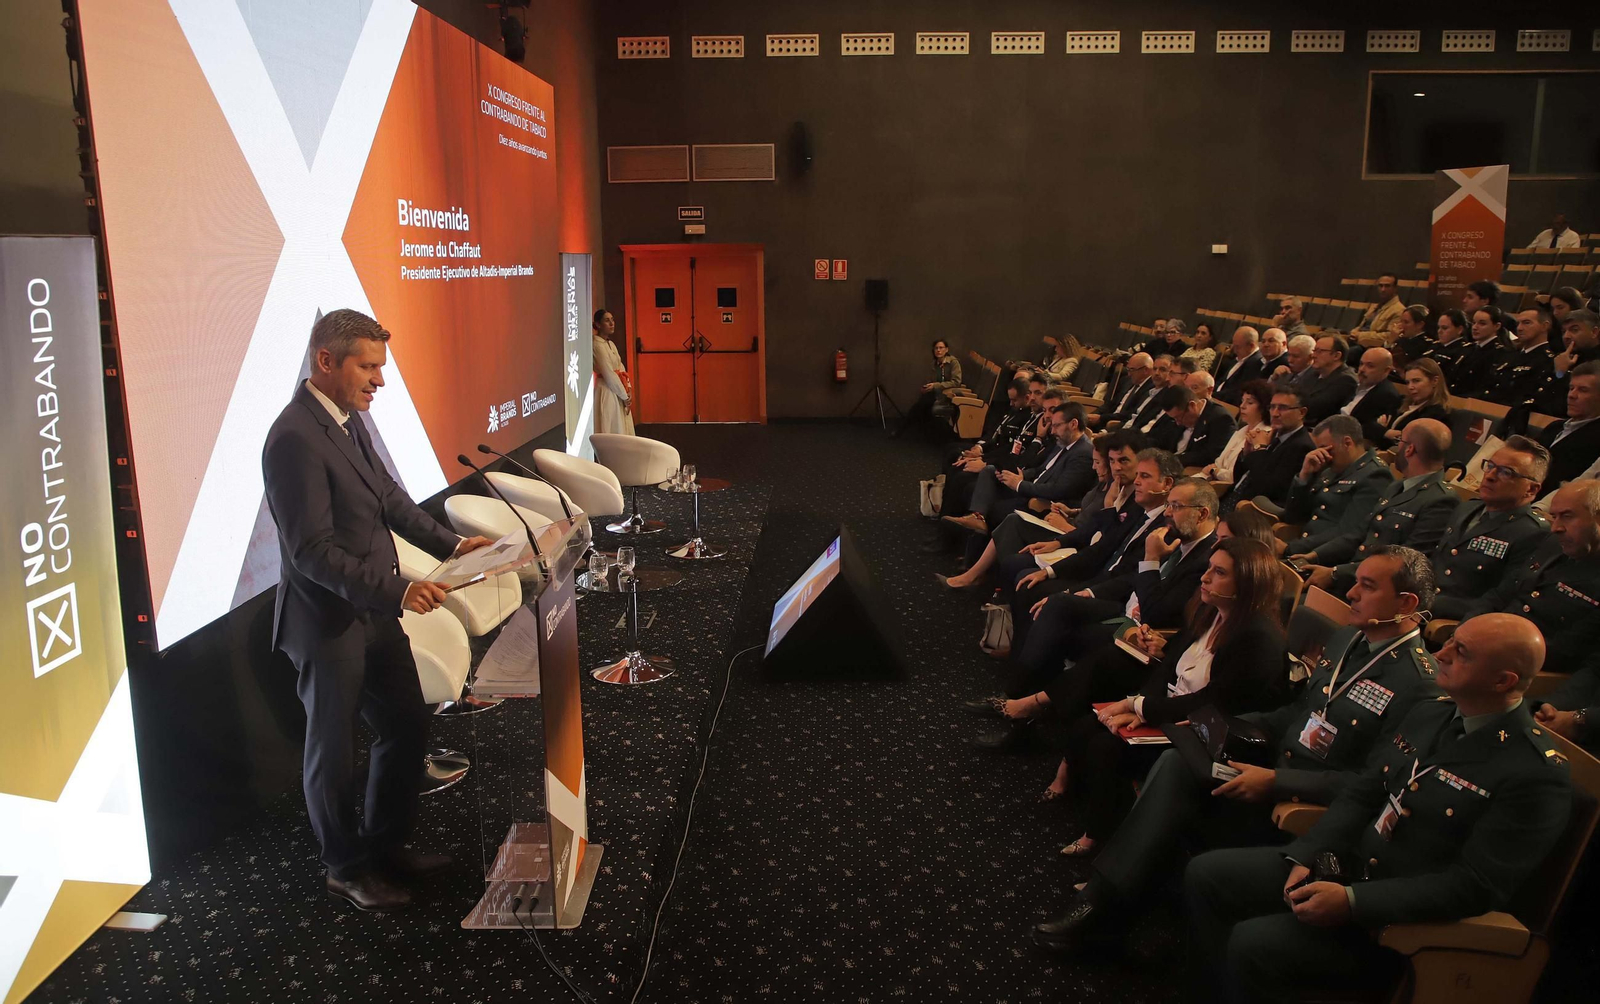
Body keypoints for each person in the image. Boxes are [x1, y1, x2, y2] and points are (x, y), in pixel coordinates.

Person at [1033, 547, 1442, 955]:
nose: (1350, 593)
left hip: (1300, 801)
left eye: (1367, 587)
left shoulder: (1418, 685)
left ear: (1405, 604)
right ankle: (1107, 905)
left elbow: (1371, 784)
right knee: (1180, 755)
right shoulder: (1349, 639)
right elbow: (1297, 714)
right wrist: (1233, 726)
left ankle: (1105, 908)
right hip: (1266, 764)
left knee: (1174, 771)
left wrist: (1276, 781)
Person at [1184, 612, 1569, 1004]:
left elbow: (1472, 886)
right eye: (1450, 640)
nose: (1441, 652)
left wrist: (1353, 903)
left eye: (1461, 651)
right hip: (1345, 870)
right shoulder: (1431, 712)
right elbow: (1363, 793)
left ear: (1502, 680)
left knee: (1252, 944)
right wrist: (1307, 852)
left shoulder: (1534, 773)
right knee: (1207, 875)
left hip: (1397, 925)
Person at [262, 309, 494, 912]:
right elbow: (311, 552)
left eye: (380, 368)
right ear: (326, 362)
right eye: (368, 367)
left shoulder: (347, 420)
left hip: (371, 614)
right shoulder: (293, 438)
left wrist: (451, 544)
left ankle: (385, 847)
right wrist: (397, 591)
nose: (379, 381)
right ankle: (346, 868)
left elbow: (389, 498)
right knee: (332, 755)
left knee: (407, 726)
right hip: (327, 623)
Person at [1043, 538, 1288, 858]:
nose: (1205, 577)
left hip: (1200, 730)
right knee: (1089, 724)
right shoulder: (1210, 610)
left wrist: (1142, 708)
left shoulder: (1257, 639)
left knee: (1106, 745)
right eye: (1208, 568)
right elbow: (1169, 667)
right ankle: (1088, 808)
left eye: (1219, 572)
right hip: (1172, 708)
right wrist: (1143, 702)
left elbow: (1211, 703)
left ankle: (1100, 839)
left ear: (1247, 584)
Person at [989, 471, 1216, 704]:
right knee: (1057, 602)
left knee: (1063, 624)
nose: (1168, 513)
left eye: (1176, 507)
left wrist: (1150, 559)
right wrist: (1079, 593)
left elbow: (1156, 613)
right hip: (1126, 605)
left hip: (1142, 626)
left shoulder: (1205, 560)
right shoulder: (1178, 540)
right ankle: (1020, 690)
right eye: (1168, 505)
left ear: (1202, 514)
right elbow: (1128, 576)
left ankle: (1019, 697)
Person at [1294, 419, 1457, 596]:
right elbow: (1359, 534)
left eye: (1399, 441)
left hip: (1374, 593)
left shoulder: (1441, 501)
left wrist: (1334, 573)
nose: (1397, 448)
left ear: (1409, 449)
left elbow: (1404, 565)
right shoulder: (1397, 487)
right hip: (1351, 577)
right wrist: (1314, 555)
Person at [1459, 479, 1600, 672]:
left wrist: (1485, 648)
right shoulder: (1553, 543)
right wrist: (1464, 630)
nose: (1555, 527)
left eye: (1567, 516)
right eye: (1554, 517)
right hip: (1481, 651)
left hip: (1520, 671)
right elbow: (1500, 595)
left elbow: (1567, 651)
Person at [940, 402, 1096, 565]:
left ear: (1073, 424)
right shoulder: (1064, 443)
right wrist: (1020, 476)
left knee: (996, 508)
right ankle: (977, 519)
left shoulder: (1083, 453)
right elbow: (1040, 470)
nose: (1052, 430)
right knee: (990, 471)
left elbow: (1059, 490)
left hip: (1043, 502)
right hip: (1031, 486)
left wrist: (1020, 485)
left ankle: (974, 559)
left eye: (1056, 426)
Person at [1430, 437, 1551, 620]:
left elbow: (1501, 598)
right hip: (1421, 603)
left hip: (1455, 620)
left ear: (1531, 489)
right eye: (1490, 465)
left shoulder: (1533, 532)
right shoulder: (1467, 509)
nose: (1490, 476)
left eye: (1506, 473)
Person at [1270, 415, 1393, 558]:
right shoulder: (1329, 470)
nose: (1320, 454)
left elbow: (1347, 533)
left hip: (1325, 558)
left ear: (1347, 443)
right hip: (1304, 547)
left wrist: (1291, 548)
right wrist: (1304, 476)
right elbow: (1294, 517)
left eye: (1326, 448)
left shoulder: (1375, 476)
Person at [1223, 388, 1314, 510]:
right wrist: (1246, 453)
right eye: (1272, 407)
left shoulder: (1301, 447)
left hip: (1252, 512)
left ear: (1301, 412)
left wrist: (1260, 448)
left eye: (1282, 408)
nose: (1275, 413)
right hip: (1231, 498)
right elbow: (1239, 476)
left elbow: (1265, 488)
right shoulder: (1271, 435)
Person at [1537, 358, 1600, 489]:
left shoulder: (1596, 438)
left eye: (1583, 390)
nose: (1572, 395)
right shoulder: (1555, 427)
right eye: (1571, 388)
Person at [1489, 303, 1561, 415]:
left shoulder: (1549, 361)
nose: (1519, 328)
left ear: (1544, 326)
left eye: (1527, 323)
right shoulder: (1509, 355)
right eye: (1518, 324)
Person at [1203, 380, 1273, 485]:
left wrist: (1215, 471)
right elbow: (1219, 462)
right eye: (1242, 401)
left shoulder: (1264, 435)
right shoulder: (1243, 429)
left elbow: (1235, 476)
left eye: (1250, 402)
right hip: (1213, 479)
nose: (1242, 406)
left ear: (1264, 407)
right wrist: (1215, 470)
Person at [1162, 376, 1238, 469]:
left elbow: (1212, 456)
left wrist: (1174, 459)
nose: (1178, 423)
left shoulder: (1221, 419)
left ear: (1192, 406)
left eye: (1179, 418)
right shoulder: (1181, 414)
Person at [1372, 359, 1451, 445]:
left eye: (1416, 381)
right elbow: (1369, 425)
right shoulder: (1401, 401)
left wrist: (1384, 431)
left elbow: (1410, 440)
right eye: (1407, 382)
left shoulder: (1437, 412)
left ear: (1434, 381)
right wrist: (1389, 433)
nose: (1410, 387)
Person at [897, 338, 964, 439]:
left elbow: (956, 382)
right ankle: (907, 429)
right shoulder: (934, 364)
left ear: (946, 350)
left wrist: (935, 385)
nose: (938, 350)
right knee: (921, 404)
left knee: (923, 404)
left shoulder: (953, 363)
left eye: (941, 348)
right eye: (936, 348)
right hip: (936, 392)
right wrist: (927, 386)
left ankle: (902, 430)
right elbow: (931, 380)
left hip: (948, 395)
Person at [1340, 347, 1402, 439]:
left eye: (1370, 366)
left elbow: (1369, 428)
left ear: (1386, 371)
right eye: (1361, 364)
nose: (1362, 369)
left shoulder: (1386, 395)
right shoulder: (1356, 385)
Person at [1453, 305, 1513, 399]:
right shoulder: (1468, 349)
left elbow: (1485, 386)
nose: (1475, 327)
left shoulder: (1500, 353)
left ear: (1496, 326)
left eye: (1482, 323)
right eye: (1474, 323)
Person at [592, 308, 635, 435]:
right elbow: (608, 373)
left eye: (612, 320)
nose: (611, 323)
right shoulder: (597, 345)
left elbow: (620, 366)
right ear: (598, 325)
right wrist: (624, 395)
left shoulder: (610, 344)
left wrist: (628, 388)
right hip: (607, 389)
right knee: (611, 426)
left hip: (618, 389)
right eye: (607, 320)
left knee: (622, 426)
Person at [1297, 335, 1359, 423]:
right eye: (1314, 351)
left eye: (1320, 351)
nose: (1313, 355)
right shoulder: (1313, 373)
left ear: (1336, 356)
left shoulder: (1346, 380)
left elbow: (1316, 409)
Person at [1215, 327, 1266, 404]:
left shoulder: (1255, 363)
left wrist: (1213, 395)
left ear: (1251, 346)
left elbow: (1237, 391)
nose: (1234, 350)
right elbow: (1223, 381)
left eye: (1237, 347)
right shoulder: (1239, 358)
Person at [1352, 271, 1404, 344]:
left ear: (1395, 288)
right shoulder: (1374, 307)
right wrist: (1355, 331)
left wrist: (1361, 335)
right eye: (1380, 286)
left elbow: (1390, 336)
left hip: (1371, 346)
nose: (1383, 289)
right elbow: (1363, 326)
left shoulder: (1399, 310)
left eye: (1387, 286)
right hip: (1359, 341)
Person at [1425, 307, 1469, 388]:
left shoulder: (1464, 351)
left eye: (1444, 328)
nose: (1439, 331)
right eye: (1439, 327)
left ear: (1459, 329)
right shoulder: (1434, 346)